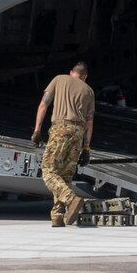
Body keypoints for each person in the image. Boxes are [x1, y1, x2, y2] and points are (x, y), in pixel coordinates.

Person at [31, 61, 95, 226]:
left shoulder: (59, 79)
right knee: (65, 174)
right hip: (78, 133)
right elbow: (89, 121)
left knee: (48, 172)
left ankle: (71, 199)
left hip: (61, 129)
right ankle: (58, 216)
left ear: (71, 72)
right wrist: (86, 148)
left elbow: (44, 104)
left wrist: (37, 131)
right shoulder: (89, 91)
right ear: (85, 77)